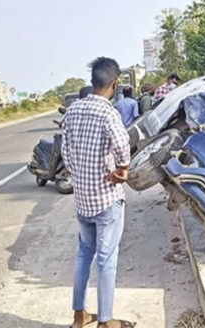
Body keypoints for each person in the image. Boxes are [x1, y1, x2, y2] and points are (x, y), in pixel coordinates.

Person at [61, 57, 135, 328]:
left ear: (94, 82)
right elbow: (123, 147)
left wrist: (81, 175)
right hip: (106, 199)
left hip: (83, 200)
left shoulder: (73, 111)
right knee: (106, 259)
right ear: (114, 84)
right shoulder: (107, 113)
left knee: (84, 255)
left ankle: (79, 315)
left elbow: (66, 155)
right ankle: (105, 320)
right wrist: (123, 170)